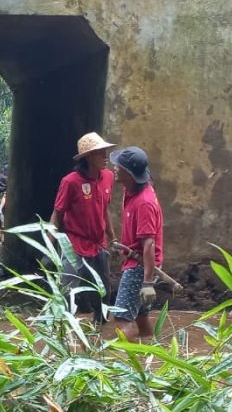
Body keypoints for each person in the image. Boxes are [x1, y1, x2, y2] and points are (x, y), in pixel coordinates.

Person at [51, 132, 116, 323]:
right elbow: (57, 213)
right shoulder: (70, 182)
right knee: (67, 288)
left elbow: (105, 209)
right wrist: (50, 244)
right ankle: (62, 325)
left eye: (106, 152)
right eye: (100, 153)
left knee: (103, 288)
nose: (105, 157)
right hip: (74, 243)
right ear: (88, 157)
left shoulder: (108, 177)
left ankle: (100, 328)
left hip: (99, 244)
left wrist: (113, 238)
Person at [110, 146, 163, 339]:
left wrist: (147, 283)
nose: (114, 168)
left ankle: (125, 365)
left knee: (123, 319)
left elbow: (148, 244)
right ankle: (151, 356)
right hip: (139, 263)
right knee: (140, 317)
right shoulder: (130, 189)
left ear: (129, 174)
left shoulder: (144, 203)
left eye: (119, 166)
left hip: (140, 267)